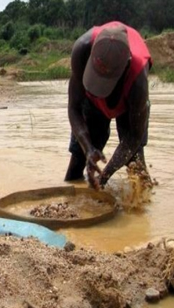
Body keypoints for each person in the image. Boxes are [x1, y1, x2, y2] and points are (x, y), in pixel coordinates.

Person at [64, 21, 152, 189]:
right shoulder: (82, 49)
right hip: (91, 104)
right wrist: (88, 148)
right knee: (79, 158)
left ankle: (142, 209)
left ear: (125, 67)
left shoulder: (138, 80)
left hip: (128, 105)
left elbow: (134, 136)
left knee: (136, 164)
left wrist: (106, 173)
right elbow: (74, 108)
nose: (99, 89)